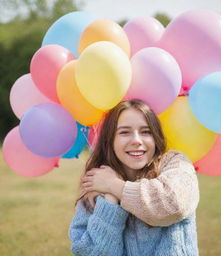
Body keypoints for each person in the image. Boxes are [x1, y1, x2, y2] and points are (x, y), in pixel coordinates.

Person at [69, 99, 200, 256]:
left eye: (146, 132)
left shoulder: (176, 164)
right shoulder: (98, 181)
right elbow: (91, 252)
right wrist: (110, 202)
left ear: (156, 136)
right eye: (124, 132)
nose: (137, 141)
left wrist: (115, 186)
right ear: (109, 140)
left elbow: (173, 205)